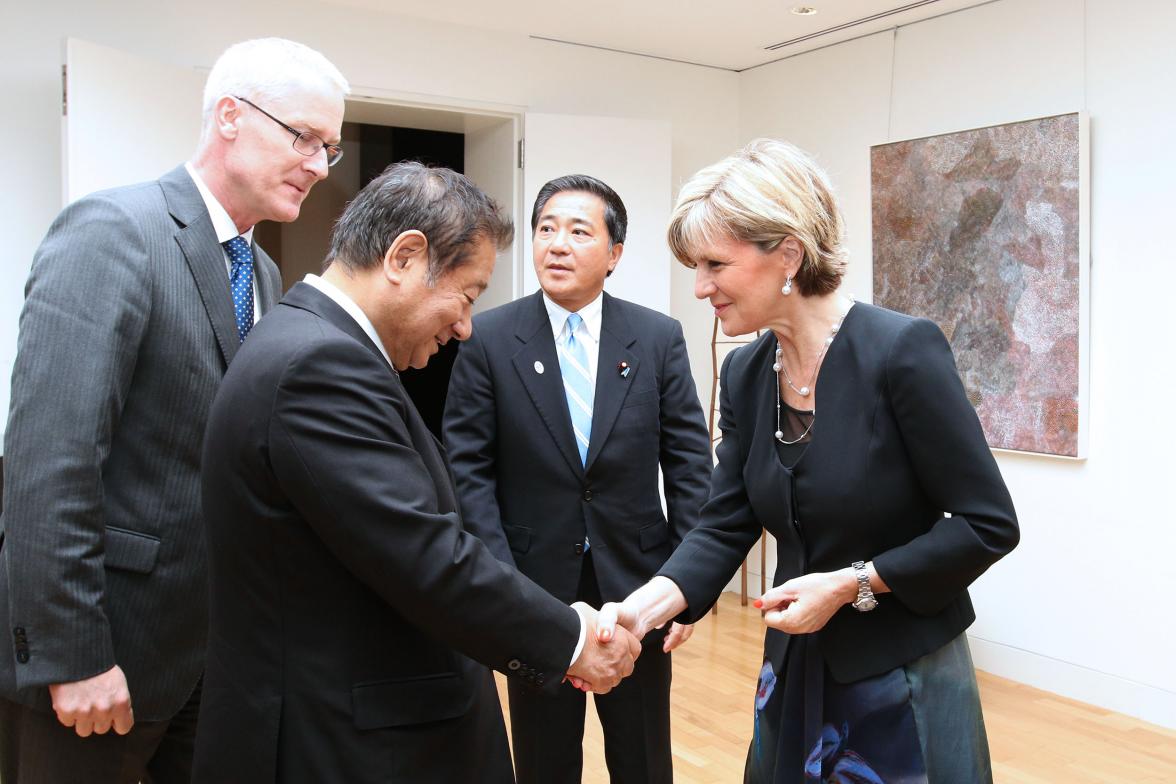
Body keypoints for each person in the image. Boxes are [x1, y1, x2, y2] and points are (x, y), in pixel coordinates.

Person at [192, 162, 642, 784]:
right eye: (467, 294)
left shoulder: (315, 345)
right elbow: (425, 556)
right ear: (405, 257)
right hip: (342, 741)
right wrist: (570, 637)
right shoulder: (319, 367)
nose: (464, 326)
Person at [598, 139, 1020, 783]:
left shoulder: (901, 351)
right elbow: (724, 522)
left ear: (788, 253)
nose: (701, 286)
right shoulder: (745, 373)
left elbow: (987, 524)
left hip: (899, 677)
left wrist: (853, 583)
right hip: (795, 665)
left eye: (715, 263)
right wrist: (644, 609)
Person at [0, 38, 349, 783]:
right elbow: (49, 462)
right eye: (305, 138)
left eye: (330, 147)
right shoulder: (113, 231)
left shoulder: (263, 270)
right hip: (104, 660)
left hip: (212, 659)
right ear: (229, 116)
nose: (320, 166)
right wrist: (74, 656)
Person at [443, 174, 713, 784]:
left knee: (643, 755)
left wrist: (691, 582)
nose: (557, 244)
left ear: (614, 254)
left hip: (640, 587)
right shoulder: (487, 338)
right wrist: (502, 586)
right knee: (543, 757)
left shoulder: (656, 337)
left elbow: (691, 465)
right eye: (546, 228)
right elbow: (470, 473)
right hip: (534, 588)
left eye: (578, 231)